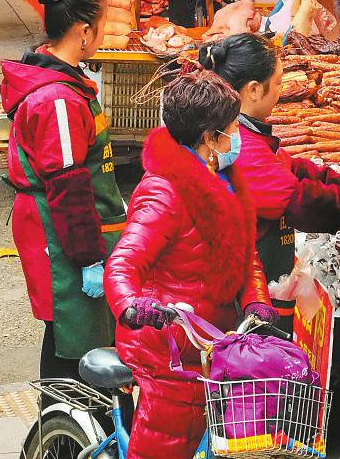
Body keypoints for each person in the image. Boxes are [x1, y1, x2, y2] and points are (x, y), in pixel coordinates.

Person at [104, 70, 275, 459]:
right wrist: (132, 306)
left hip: (213, 344)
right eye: (233, 128)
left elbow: (244, 253)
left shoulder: (224, 179)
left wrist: (256, 301)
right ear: (210, 138)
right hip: (166, 349)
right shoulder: (163, 193)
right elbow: (123, 263)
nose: (238, 137)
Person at [198, 33, 340, 286]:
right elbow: (300, 202)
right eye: (278, 83)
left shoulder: (239, 131)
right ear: (254, 89)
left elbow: (292, 169)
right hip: (237, 285)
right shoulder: (238, 145)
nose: (281, 91)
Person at [1, 0, 124, 383]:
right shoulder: (58, 100)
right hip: (62, 234)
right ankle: (62, 417)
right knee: (73, 336)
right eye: (100, 26)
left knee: (72, 332)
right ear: (85, 31)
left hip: (66, 227)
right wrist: (88, 259)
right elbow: (67, 186)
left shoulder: (55, 76)